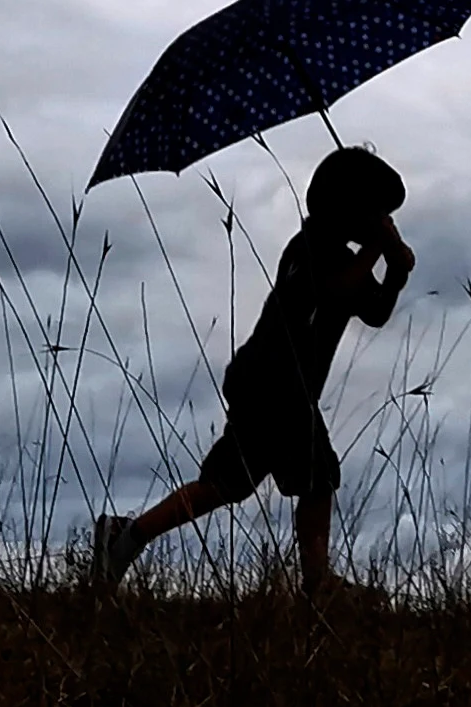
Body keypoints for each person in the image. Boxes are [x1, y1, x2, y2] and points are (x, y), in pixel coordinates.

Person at [87, 146, 412, 592]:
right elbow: (334, 292)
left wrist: (395, 274)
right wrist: (378, 250)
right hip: (274, 385)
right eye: (373, 211)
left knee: (227, 484)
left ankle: (128, 536)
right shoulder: (311, 248)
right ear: (347, 208)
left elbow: (373, 310)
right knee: (316, 478)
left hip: (278, 388)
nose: (379, 220)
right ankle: (318, 580)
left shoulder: (342, 256)